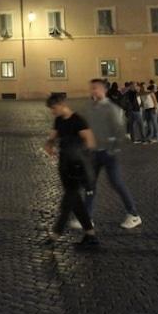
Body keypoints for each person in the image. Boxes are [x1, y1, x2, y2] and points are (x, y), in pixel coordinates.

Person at [84, 79, 142, 229]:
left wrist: (112, 147)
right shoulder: (91, 108)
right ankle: (87, 217)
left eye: (95, 88)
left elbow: (120, 130)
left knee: (116, 183)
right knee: (90, 185)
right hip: (94, 152)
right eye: (91, 88)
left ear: (103, 90)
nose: (93, 91)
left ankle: (134, 214)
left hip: (107, 153)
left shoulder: (111, 108)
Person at [44, 93, 99, 249]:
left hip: (77, 167)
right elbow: (52, 137)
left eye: (54, 108)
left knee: (67, 202)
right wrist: (49, 144)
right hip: (64, 165)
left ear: (62, 105)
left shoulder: (78, 121)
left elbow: (90, 142)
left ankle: (55, 234)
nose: (52, 112)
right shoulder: (59, 120)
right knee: (75, 202)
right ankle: (91, 235)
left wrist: (83, 162)